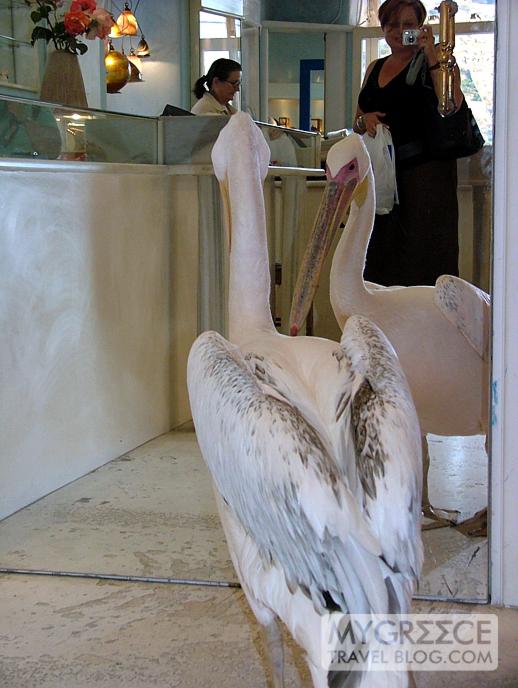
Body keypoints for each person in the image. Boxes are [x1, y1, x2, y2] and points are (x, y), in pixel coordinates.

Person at [354, 0, 465, 286]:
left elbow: (450, 105)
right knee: (379, 253)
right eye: (391, 24)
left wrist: (430, 54)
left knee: (421, 255)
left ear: (420, 27)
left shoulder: (438, 63)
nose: (399, 31)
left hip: (424, 175)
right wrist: (364, 120)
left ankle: (427, 324)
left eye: (407, 25)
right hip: (382, 173)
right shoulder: (374, 67)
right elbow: (355, 119)